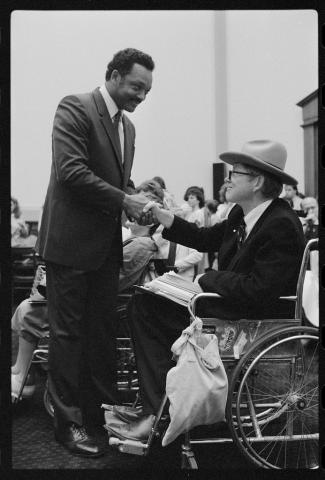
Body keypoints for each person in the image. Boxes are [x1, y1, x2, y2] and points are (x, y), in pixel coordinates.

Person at [105, 139, 305, 442]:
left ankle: (157, 411)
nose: (227, 178)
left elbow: (260, 289)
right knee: (144, 302)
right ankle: (160, 406)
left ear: (257, 182)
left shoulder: (281, 224)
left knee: (145, 311)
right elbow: (203, 237)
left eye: (234, 172)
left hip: (254, 317)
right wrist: (163, 216)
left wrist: (207, 280)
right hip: (231, 304)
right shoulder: (243, 215)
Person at [35, 48, 155, 457]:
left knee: (101, 337)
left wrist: (139, 197)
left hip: (105, 249)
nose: (142, 96)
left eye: (147, 90)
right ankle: (68, 426)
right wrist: (126, 200)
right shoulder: (75, 107)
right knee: (67, 337)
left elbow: (113, 176)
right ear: (114, 76)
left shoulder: (129, 128)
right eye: (137, 86)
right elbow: (71, 172)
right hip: (69, 245)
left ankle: (102, 419)